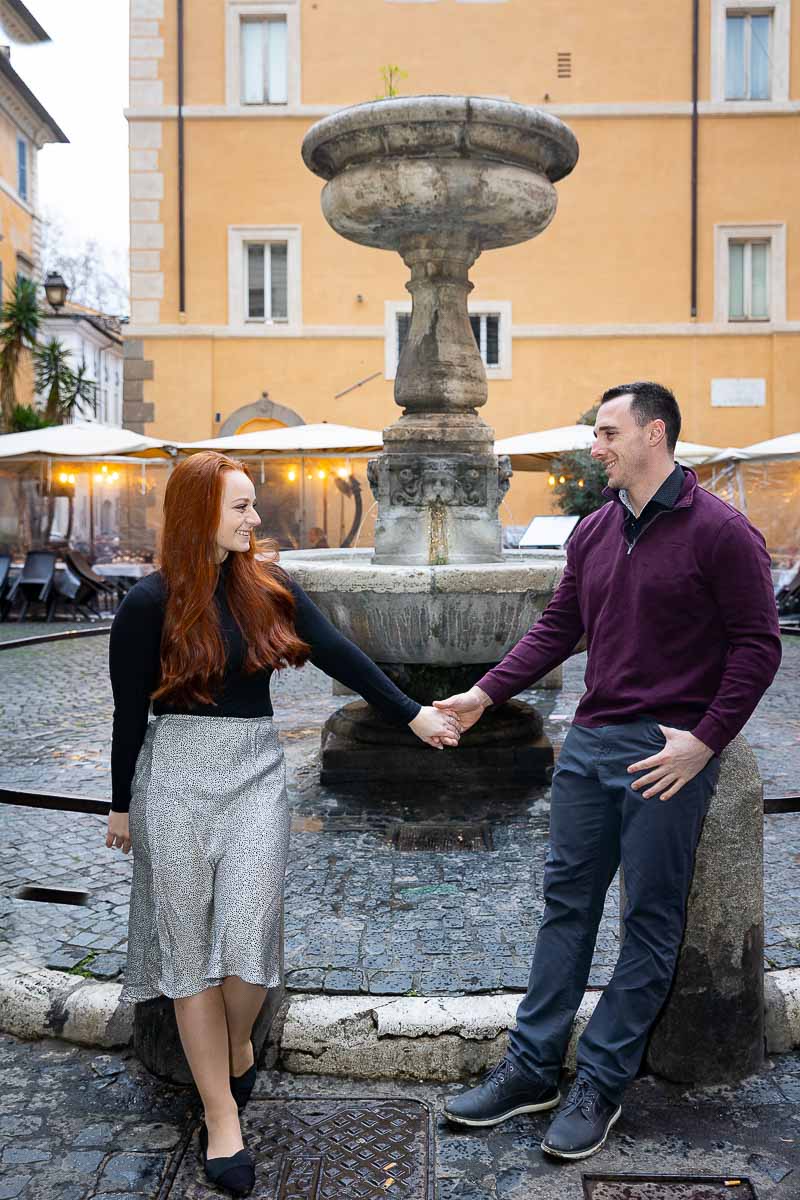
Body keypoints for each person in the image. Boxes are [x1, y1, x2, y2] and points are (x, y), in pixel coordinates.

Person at [435, 382, 781, 1160]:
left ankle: (600, 1080)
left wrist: (705, 741)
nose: (596, 446)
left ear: (654, 434)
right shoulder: (593, 531)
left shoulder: (723, 533)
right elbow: (562, 625)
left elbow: (759, 648)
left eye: (607, 432)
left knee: (650, 924)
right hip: (590, 746)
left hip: (666, 755)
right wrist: (488, 692)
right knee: (566, 908)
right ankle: (531, 1067)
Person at [106, 451, 459, 1196]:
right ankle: (220, 1115)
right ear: (200, 511)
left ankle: (237, 1038)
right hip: (172, 778)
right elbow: (126, 713)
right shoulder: (147, 603)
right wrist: (119, 805)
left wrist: (415, 714)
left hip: (256, 775)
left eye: (252, 505)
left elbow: (345, 657)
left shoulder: (271, 587)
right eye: (240, 507)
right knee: (188, 949)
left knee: (249, 943)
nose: (255, 518)